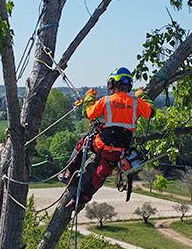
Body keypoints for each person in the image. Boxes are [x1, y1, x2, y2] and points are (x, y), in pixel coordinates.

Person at [59, 67, 153, 206]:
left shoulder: (106, 100)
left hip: (100, 145)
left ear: (113, 84)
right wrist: (142, 96)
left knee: (84, 142)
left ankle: (69, 171)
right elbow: (150, 112)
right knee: (100, 175)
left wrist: (89, 97)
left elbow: (88, 114)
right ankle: (80, 200)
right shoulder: (136, 102)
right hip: (117, 152)